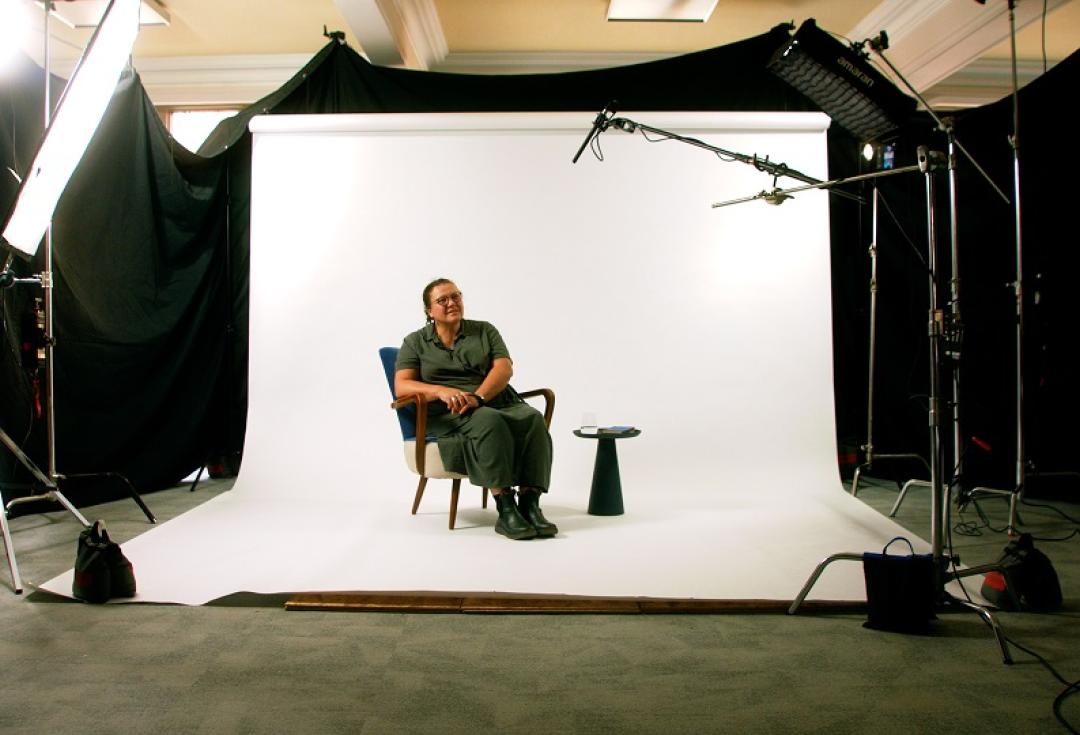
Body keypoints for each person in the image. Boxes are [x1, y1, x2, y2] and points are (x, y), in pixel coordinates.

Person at [394, 278, 556, 540]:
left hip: (492, 398)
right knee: (489, 421)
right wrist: (439, 390)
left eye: (456, 296)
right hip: (449, 412)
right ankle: (505, 507)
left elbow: (504, 368)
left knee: (532, 418)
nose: (451, 303)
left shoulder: (484, 330)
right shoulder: (415, 342)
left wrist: (479, 397)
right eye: (442, 300)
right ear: (429, 311)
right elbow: (402, 385)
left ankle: (530, 503)